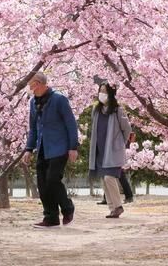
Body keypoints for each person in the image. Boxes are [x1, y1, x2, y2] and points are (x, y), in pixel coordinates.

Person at [22, 72, 79, 228]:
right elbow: (33, 128)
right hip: (42, 148)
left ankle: (67, 208)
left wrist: (73, 147)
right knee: (42, 184)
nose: (30, 88)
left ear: (39, 83)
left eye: (31, 84)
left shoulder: (59, 99)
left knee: (53, 180)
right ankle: (51, 217)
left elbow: (71, 124)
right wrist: (29, 148)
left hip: (59, 148)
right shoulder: (33, 102)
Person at [88, 82, 133, 218]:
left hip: (113, 151)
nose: (102, 94)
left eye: (105, 91)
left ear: (111, 94)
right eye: (100, 91)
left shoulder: (118, 110)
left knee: (109, 177)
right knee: (104, 179)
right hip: (100, 150)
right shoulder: (96, 111)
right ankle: (113, 208)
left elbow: (127, 129)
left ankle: (118, 206)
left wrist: (120, 143)